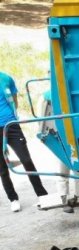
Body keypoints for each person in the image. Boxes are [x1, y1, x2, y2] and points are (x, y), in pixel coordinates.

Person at [0, 70, 48, 212]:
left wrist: (13, 116)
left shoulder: (5, 78)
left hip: (11, 124)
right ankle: (13, 199)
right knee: (2, 168)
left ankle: (42, 195)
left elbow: (14, 98)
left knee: (26, 160)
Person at [39, 90, 79, 213]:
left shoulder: (73, 91)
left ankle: (78, 197)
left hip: (73, 135)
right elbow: (43, 118)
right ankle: (65, 199)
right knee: (63, 170)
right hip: (58, 135)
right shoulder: (48, 96)